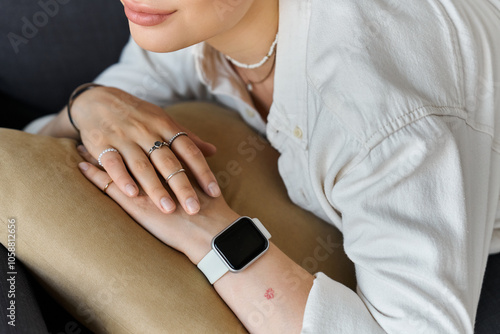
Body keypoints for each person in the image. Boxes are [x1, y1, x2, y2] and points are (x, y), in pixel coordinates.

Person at [22, 0, 500, 332]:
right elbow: (34, 143)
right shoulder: (190, 26)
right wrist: (93, 104)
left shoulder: (383, 122)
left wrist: (211, 232)